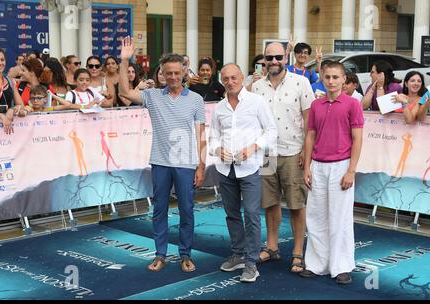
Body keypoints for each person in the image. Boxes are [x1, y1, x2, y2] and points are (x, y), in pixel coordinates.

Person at [118, 36, 207, 273]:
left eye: (177, 73)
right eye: (169, 73)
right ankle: (160, 254)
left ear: (184, 73)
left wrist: (201, 165)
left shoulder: (196, 99)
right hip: (160, 162)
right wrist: (125, 61)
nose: (173, 77)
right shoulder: (152, 96)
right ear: (162, 74)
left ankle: (185, 254)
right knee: (160, 209)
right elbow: (124, 91)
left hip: (186, 163)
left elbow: (201, 135)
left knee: (187, 210)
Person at [209, 63, 277, 283]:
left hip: (250, 168)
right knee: (232, 214)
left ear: (242, 78)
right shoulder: (219, 107)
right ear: (222, 80)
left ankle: (251, 263)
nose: (230, 82)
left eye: (234, 78)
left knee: (251, 215)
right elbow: (212, 138)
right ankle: (238, 254)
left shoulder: (256, 102)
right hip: (225, 169)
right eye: (226, 78)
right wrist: (218, 149)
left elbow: (272, 131)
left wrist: (253, 148)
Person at [252, 42, 315, 273]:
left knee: (297, 205)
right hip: (266, 154)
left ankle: (298, 252)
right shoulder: (257, 87)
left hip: (293, 153)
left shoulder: (302, 82)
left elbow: (310, 122)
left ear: (285, 58)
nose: (274, 61)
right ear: (264, 61)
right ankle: (272, 246)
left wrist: (305, 152)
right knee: (269, 203)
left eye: (278, 57)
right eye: (270, 58)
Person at [301, 61, 363, 285]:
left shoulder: (353, 104)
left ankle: (341, 267)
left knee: (340, 218)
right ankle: (317, 265)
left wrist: (351, 171)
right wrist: (307, 167)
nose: (331, 81)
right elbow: (310, 136)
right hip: (317, 165)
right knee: (316, 217)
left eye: (336, 77)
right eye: (327, 77)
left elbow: (357, 138)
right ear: (322, 78)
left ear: (344, 79)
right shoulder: (316, 105)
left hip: (341, 166)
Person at [0, 48, 23, 134]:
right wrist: (1, 116)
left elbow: (21, 105)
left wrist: (12, 110)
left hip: (7, 131)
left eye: (2, 60)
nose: (0, 63)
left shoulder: (10, 81)